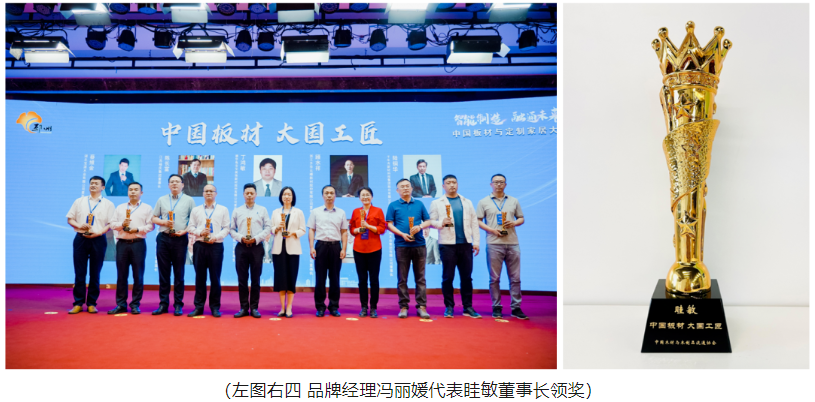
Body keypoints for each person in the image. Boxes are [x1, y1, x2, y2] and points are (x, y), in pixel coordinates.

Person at [429, 175, 481, 318]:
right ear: (443, 186)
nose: (452, 185)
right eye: (448, 183)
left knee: (467, 277)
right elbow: (431, 222)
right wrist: (441, 223)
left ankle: (468, 307)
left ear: (457, 184)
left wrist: (476, 242)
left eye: (454, 182)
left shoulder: (467, 202)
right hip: (447, 245)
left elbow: (474, 223)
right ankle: (449, 307)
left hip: (465, 244)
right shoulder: (436, 203)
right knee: (448, 277)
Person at [476, 174, 527, 320]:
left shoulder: (514, 201)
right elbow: (478, 221)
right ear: (491, 184)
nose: (498, 184)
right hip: (494, 243)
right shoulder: (483, 202)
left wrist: (514, 223)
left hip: (512, 243)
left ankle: (516, 308)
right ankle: (496, 307)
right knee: (494, 278)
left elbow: (521, 218)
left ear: (505, 184)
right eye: (496, 182)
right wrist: (491, 230)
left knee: (515, 278)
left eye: (501, 182)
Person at [66, 176, 115, 314]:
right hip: (81, 238)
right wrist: (79, 225)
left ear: (103, 187)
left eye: (96, 183)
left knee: (95, 273)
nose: (93, 185)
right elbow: (70, 219)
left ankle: (92, 303)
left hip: (98, 239)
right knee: (79, 272)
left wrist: (98, 233)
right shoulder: (79, 201)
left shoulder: (108, 204)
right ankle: (78, 303)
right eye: (91, 183)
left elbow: (110, 224)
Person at [386, 178, 433, 319]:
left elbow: (428, 221)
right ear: (397, 190)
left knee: (420, 278)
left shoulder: (419, 204)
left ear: (412, 188)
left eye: (408, 186)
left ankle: (422, 306)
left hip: (419, 244)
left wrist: (420, 227)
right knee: (402, 278)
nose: (405, 188)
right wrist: (402, 234)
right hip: (402, 245)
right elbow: (389, 224)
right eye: (402, 186)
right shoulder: (393, 205)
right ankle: (403, 306)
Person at [151, 174, 196, 316]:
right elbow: (153, 218)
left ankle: (178, 304)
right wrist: (163, 222)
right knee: (163, 273)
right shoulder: (162, 199)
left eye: (177, 181)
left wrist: (185, 231)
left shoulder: (189, 200)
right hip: (163, 238)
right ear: (168, 185)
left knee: (179, 273)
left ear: (183, 185)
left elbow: (194, 221)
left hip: (180, 239)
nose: (174, 184)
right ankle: (163, 304)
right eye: (172, 182)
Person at [108, 182, 155, 315]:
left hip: (138, 243)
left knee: (138, 275)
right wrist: (122, 225)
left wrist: (137, 229)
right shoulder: (120, 207)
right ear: (127, 192)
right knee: (121, 275)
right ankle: (121, 304)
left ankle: (135, 304)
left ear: (141, 193)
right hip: (122, 243)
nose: (133, 192)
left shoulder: (147, 208)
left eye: (136, 189)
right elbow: (112, 224)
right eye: (130, 190)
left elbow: (151, 226)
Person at [187, 184, 230, 318]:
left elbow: (226, 228)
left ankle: (215, 307)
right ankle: (198, 307)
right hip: (200, 245)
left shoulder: (223, 209)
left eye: (211, 191)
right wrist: (200, 232)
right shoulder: (196, 210)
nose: (209, 193)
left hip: (216, 246)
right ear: (203, 193)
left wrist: (215, 237)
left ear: (216, 193)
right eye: (206, 191)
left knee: (215, 278)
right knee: (200, 277)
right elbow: (190, 227)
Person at [230, 183, 271, 318]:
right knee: (242, 279)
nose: (249, 195)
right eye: (247, 193)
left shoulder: (262, 210)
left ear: (256, 195)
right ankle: (243, 307)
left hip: (256, 248)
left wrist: (256, 238)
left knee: (255, 279)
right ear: (243, 194)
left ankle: (254, 308)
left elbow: (268, 227)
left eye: (251, 193)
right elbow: (231, 229)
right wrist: (241, 238)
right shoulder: (237, 211)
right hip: (241, 247)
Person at [307, 185, 348, 317]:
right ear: (323, 196)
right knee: (320, 278)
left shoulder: (341, 212)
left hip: (336, 246)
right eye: (326, 193)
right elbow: (311, 230)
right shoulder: (315, 212)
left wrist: (344, 248)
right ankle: (320, 307)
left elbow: (344, 232)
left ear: (335, 195)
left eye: (331, 193)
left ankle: (334, 306)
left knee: (335, 278)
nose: (329, 195)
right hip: (321, 246)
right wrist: (311, 247)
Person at [348, 187, 388, 318]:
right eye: (362, 195)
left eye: (367, 195)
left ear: (372, 197)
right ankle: (364, 307)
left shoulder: (378, 210)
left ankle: (374, 307)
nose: (365, 197)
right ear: (359, 198)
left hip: (374, 249)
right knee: (362, 280)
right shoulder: (356, 211)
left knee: (374, 279)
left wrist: (368, 226)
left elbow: (382, 229)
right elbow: (351, 229)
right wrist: (357, 230)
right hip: (359, 249)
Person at [270, 186, 306, 318]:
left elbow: (303, 229)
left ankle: (289, 307)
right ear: (281, 197)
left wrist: (293, 233)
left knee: (291, 278)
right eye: (284, 194)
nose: (286, 196)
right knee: (280, 278)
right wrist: (276, 228)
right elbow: (270, 229)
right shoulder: (275, 212)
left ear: (293, 197)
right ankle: (282, 308)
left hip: (293, 249)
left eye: (289, 194)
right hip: (278, 249)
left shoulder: (298, 212)